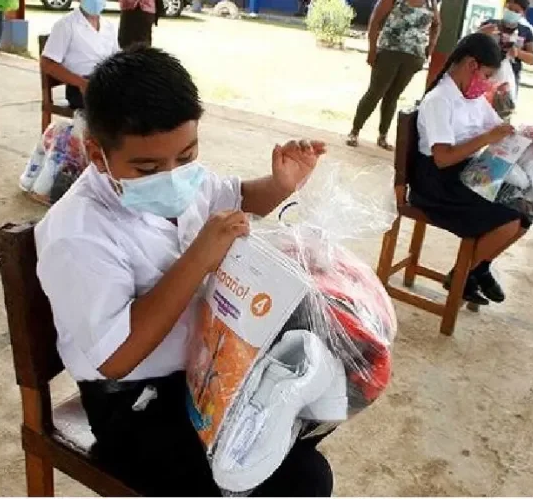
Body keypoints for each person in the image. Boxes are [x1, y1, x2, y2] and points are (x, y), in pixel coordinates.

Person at [34, 46, 334, 496]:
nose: (173, 176)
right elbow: (116, 358)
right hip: (135, 405)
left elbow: (236, 196)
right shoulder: (76, 235)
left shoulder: (186, 183)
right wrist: (198, 259)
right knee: (293, 480)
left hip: (202, 375)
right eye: (148, 167)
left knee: (316, 413)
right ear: (97, 153)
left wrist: (279, 185)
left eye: (187, 155)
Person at [410, 33, 530, 305]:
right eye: (487, 76)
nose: (486, 83)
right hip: (437, 184)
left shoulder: (471, 96)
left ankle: (476, 269)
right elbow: (442, 158)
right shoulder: (440, 99)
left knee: (526, 212)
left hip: (464, 174)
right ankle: (466, 274)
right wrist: (487, 138)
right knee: (509, 219)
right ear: (472, 66)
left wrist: (519, 135)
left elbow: (496, 126)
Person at [347, 0, 440, 151]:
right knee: (375, 93)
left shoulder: (431, 1)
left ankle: (383, 135)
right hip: (389, 52)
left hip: (413, 56)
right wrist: (371, 50)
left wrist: (430, 47)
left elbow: (437, 25)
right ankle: (355, 131)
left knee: (393, 96)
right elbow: (375, 21)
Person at [40, 0, 119, 110]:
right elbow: (47, 63)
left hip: (105, 81)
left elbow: (116, 59)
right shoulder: (66, 24)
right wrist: (82, 83)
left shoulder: (109, 26)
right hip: (79, 87)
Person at [477, 0, 533, 91]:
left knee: (503, 104)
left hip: (509, 79)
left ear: (523, 14)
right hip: (484, 75)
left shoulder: (525, 32)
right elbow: (472, 45)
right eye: (510, 8)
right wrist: (480, 34)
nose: (512, 13)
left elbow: (532, 59)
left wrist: (517, 53)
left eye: (516, 11)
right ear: (504, 6)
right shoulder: (489, 25)